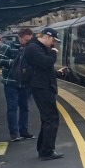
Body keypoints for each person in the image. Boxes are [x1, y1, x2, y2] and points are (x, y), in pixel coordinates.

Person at [22, 27, 66, 160]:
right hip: (41, 88)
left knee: (47, 118)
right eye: (53, 40)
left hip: (43, 86)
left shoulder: (37, 47)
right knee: (51, 118)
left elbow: (43, 68)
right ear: (47, 36)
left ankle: (43, 148)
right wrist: (53, 53)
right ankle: (47, 151)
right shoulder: (33, 48)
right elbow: (46, 63)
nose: (54, 44)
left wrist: (57, 72)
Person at [0, 27, 34, 142]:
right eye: (26, 40)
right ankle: (14, 133)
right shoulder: (7, 46)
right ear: (19, 37)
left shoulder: (29, 48)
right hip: (10, 82)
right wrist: (15, 63)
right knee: (12, 107)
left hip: (25, 83)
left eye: (30, 40)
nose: (28, 42)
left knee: (25, 107)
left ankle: (24, 131)